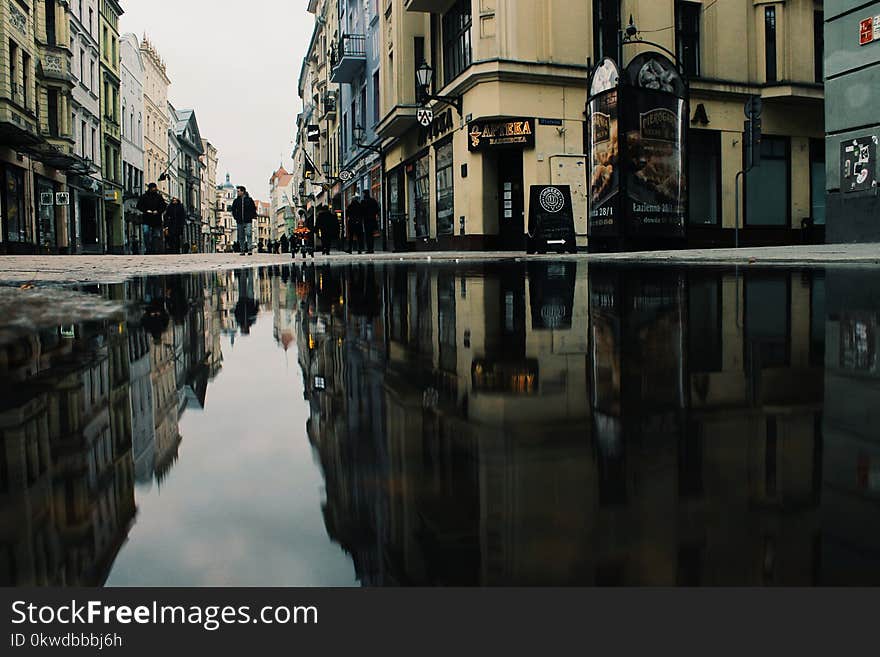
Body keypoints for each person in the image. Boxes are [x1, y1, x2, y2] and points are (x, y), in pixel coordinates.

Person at [136, 183, 167, 254]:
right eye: (153, 188)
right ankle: (148, 248)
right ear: (150, 188)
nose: (154, 189)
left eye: (155, 188)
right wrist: (146, 210)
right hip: (147, 218)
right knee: (146, 233)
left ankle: (154, 249)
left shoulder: (159, 197)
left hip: (156, 219)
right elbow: (139, 205)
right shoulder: (144, 196)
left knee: (156, 235)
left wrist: (158, 211)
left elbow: (163, 206)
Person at [231, 185, 257, 256]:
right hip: (239, 221)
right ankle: (242, 250)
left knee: (249, 234)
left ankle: (249, 249)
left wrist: (252, 216)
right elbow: (233, 209)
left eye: (238, 191)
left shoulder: (249, 200)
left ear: (243, 192)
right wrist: (236, 217)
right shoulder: (236, 201)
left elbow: (253, 208)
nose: (237, 193)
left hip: (248, 220)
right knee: (241, 236)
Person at [361, 190, 380, 254]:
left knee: (367, 235)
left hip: (366, 220)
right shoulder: (373, 201)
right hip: (373, 220)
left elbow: (362, 211)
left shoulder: (363, 202)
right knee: (371, 235)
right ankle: (371, 248)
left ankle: (369, 248)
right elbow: (377, 209)